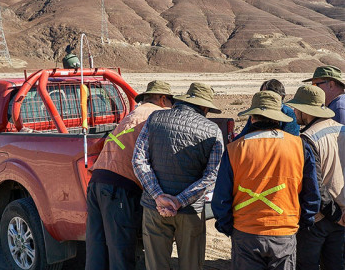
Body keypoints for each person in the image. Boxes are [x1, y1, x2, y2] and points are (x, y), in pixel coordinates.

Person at [212, 90, 320, 270]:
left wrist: (229, 227)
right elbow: (312, 196)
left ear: (252, 118)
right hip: (284, 233)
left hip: (245, 233)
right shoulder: (299, 147)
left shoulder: (235, 149)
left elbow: (221, 198)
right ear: (278, 118)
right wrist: (300, 224)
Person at [132, 82, 224, 270]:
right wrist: (179, 201)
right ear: (205, 107)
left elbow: (138, 161)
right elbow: (212, 176)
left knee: (156, 265)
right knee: (191, 264)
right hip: (190, 212)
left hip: (153, 208)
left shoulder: (155, 118)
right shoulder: (213, 131)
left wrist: (158, 195)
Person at [85, 80, 174, 270]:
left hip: (96, 183)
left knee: (96, 250)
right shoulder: (157, 115)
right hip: (119, 189)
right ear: (163, 99)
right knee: (121, 253)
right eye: (170, 102)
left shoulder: (133, 114)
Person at [285, 85, 345, 270]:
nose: (294, 112)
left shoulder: (307, 139)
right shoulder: (342, 129)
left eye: (297, 108)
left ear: (306, 110)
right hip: (343, 218)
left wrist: (334, 214)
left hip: (318, 219)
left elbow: (315, 184)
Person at [234, 79, 299, 140]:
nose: (264, 97)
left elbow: (291, 139)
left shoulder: (289, 114)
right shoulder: (256, 112)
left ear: (280, 96)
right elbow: (244, 134)